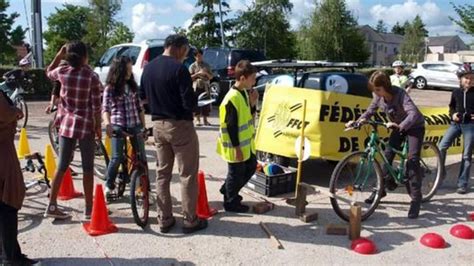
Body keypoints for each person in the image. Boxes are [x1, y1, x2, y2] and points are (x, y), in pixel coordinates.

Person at [140, 34, 207, 234]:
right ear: (179, 48)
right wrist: (197, 105)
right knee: (187, 174)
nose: (186, 55)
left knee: (162, 174)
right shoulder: (179, 69)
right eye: (186, 51)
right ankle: (190, 220)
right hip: (180, 125)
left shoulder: (148, 68)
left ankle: (165, 218)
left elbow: (142, 98)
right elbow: (188, 102)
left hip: (158, 125)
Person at [346, 71, 425, 219]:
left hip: (414, 126)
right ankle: (381, 190)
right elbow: (370, 111)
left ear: (385, 86)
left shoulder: (400, 94)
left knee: (412, 160)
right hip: (396, 126)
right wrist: (358, 121)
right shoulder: (378, 96)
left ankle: (416, 199)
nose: (375, 93)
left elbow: (413, 114)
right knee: (387, 155)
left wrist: (400, 126)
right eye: (374, 90)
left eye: (377, 90)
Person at [44, 41, 102, 220]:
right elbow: (96, 106)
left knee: (62, 165)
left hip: (66, 125)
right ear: (85, 56)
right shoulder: (91, 76)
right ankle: (88, 208)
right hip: (85, 126)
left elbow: (48, 72)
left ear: (67, 56)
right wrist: (98, 126)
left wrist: (59, 55)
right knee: (87, 167)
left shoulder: (62, 72)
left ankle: (52, 205)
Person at [0, 90, 38, 265]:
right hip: (3, 152)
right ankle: (10, 257)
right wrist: (15, 111)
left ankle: (8, 254)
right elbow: (5, 113)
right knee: (8, 201)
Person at [102, 56, 147, 200]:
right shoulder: (110, 88)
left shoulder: (133, 86)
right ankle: (109, 185)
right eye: (128, 69)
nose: (130, 72)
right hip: (118, 125)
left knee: (142, 157)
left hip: (135, 124)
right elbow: (105, 109)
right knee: (117, 157)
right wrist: (107, 124)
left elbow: (139, 108)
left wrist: (143, 127)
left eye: (131, 69)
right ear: (120, 70)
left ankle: (145, 189)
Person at [217, 60, 259, 213]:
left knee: (250, 167)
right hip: (235, 146)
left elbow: (248, 116)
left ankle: (227, 190)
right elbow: (231, 126)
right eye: (252, 78)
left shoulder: (243, 94)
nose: (254, 81)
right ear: (242, 78)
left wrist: (253, 103)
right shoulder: (232, 98)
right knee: (236, 174)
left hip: (245, 145)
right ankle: (231, 202)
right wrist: (237, 148)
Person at [438, 65, 474, 194]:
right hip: (455, 124)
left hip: (470, 125)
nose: (469, 81)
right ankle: (440, 175)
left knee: (466, 154)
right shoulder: (455, 92)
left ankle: (462, 183)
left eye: (471, 78)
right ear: (460, 79)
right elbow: (451, 107)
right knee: (441, 147)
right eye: (466, 78)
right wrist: (452, 114)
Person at [189, 48, 213, 126]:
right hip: (196, 86)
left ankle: (205, 120)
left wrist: (205, 73)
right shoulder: (192, 66)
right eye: (198, 56)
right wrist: (197, 73)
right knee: (197, 103)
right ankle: (198, 119)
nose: (200, 57)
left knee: (206, 103)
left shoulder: (206, 65)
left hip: (205, 86)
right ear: (195, 57)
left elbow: (211, 77)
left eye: (201, 56)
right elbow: (190, 77)